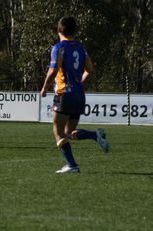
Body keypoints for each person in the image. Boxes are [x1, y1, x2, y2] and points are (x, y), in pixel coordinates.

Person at [40, 16, 109, 173]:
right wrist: (79, 83)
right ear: (74, 31)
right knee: (69, 133)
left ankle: (72, 165)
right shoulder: (81, 48)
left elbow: (53, 70)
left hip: (64, 94)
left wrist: (44, 87)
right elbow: (90, 70)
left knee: (58, 132)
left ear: (59, 30)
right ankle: (95, 135)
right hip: (79, 95)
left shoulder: (59, 48)